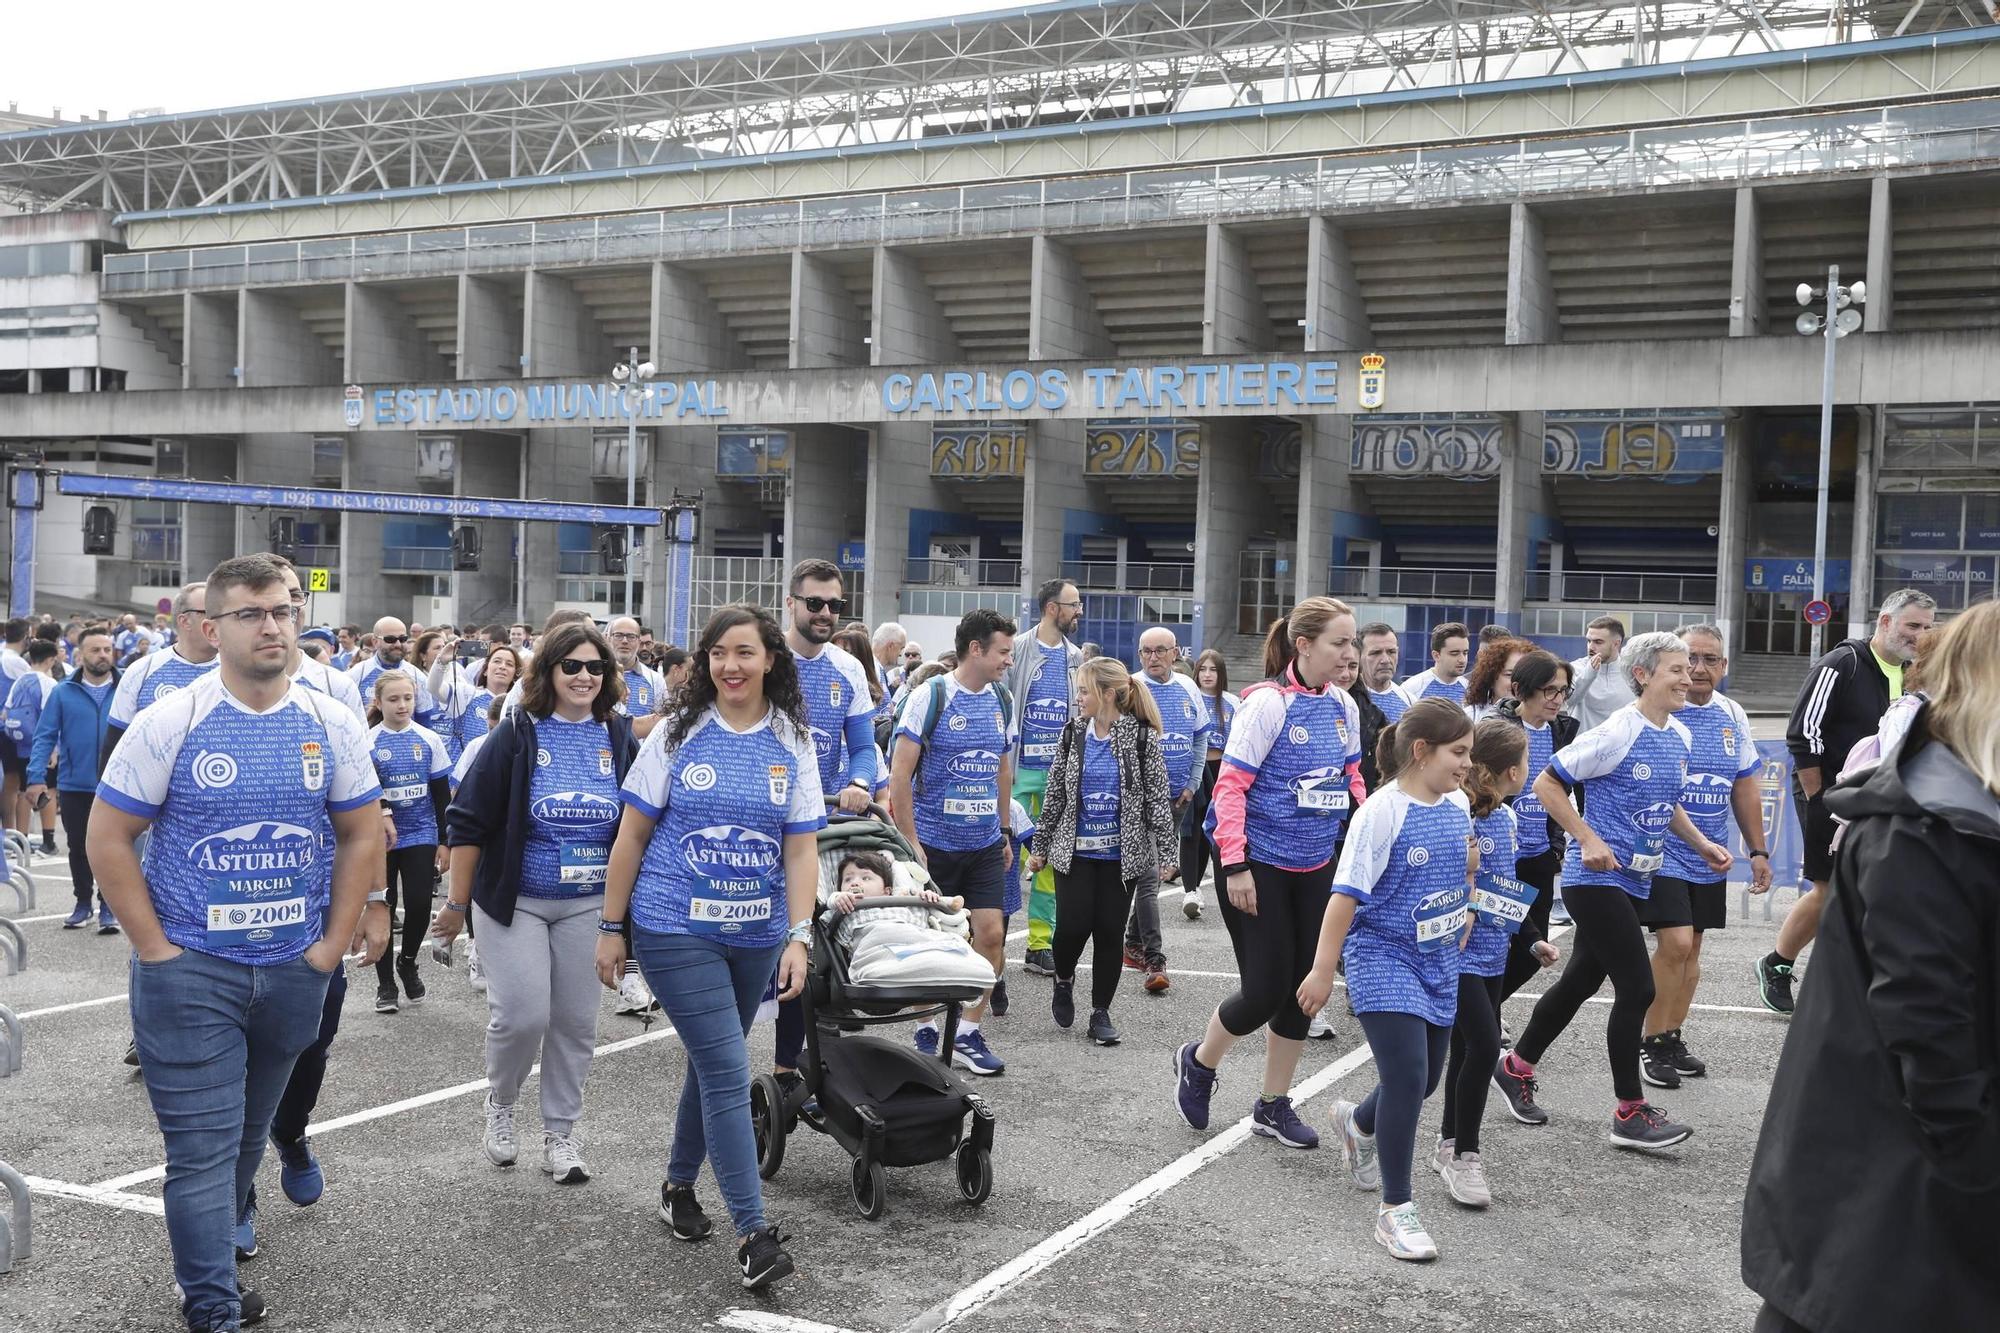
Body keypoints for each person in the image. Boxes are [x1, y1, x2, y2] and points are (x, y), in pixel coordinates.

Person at [89, 554, 383, 1333]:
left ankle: (211, 1269)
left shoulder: (331, 720)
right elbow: (108, 835)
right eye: (251, 613)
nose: (272, 626)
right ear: (211, 627)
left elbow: (361, 832)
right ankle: (212, 1303)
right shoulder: (172, 719)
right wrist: (155, 948)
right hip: (191, 970)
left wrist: (329, 947)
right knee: (201, 1148)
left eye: (282, 610)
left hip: (293, 969)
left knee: (249, 1137)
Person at [1740, 600, 2000, 1333]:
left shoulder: (1954, 812)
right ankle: (1774, 964)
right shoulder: (1923, 827)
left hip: (1900, 1208)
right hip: (1892, 1205)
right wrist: (1982, 1165)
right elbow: (1928, 1030)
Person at [595, 604, 823, 1291]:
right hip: (674, 926)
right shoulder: (677, 732)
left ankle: (677, 1185)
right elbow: (632, 835)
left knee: (710, 1061)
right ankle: (754, 1234)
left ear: (771, 660)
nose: (730, 665)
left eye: (745, 652)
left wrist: (798, 934)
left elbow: (801, 847)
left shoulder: (793, 738)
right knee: (727, 1066)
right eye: (719, 652)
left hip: (757, 933)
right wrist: (611, 927)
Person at [1493, 632, 1733, 1150]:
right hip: (1594, 879)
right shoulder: (1616, 731)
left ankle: (1516, 1066)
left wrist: (1702, 843)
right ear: (1643, 675)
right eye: (1676, 669)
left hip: (1638, 877)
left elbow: (1667, 803)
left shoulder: (1678, 735)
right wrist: (1587, 838)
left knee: (1579, 982)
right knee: (1638, 988)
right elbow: (1547, 784)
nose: (1689, 676)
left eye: (1689, 668)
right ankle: (1630, 1112)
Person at [436, 620, 636, 1187]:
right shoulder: (517, 731)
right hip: (515, 901)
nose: (583, 676)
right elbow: (467, 821)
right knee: (522, 1016)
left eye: (595, 666)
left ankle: (560, 1135)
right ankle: (501, 1101)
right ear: (548, 670)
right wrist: (455, 904)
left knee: (575, 1022)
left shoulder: (618, 735)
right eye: (571, 665)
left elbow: (642, 821)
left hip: (588, 904)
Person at [1175, 597, 1363, 1150]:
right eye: (1339, 642)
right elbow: (1229, 789)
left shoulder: (1343, 706)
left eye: (1351, 642)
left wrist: (1364, 833)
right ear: (1304, 645)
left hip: (1317, 863)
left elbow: (1352, 781)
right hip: (1257, 864)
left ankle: (1272, 1104)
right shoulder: (1267, 705)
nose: (1348, 653)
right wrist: (1235, 866)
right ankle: (1199, 1061)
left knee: (1304, 992)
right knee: (1263, 990)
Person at [1306, 700, 1475, 1261]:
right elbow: (1345, 896)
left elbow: (1461, 869)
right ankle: (1395, 1210)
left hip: (1439, 959)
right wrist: (1323, 971)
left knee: (1423, 1081)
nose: (1466, 764)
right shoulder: (1380, 813)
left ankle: (1357, 1124)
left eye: (1469, 753)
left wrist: (1466, 908)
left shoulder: (1458, 803)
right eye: (1458, 752)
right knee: (1406, 1077)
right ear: (1421, 751)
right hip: (1382, 955)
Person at [1762, 588, 1937, 1014]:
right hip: (1832, 795)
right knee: (1831, 890)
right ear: (1885, 621)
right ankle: (1778, 964)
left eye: (1927, 627)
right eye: (1912, 625)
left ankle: (1853, 982)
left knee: (1865, 890)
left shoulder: (1911, 672)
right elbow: (1803, 733)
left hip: (1878, 799)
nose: (1920, 635)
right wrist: (1819, 797)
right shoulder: (1843, 662)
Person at [1434, 718, 1559, 1210]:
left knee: (1464, 1050)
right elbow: (1456, 886)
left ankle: (1444, 1141)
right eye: (1527, 761)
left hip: (1492, 956)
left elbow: (1501, 888)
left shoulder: (1506, 819)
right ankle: (1466, 1155)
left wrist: (1531, 938)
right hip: (1457, 954)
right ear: (1511, 771)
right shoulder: (1459, 816)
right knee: (1486, 1048)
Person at [888, 608, 1017, 1076]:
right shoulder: (931, 695)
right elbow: (899, 774)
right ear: (976, 649)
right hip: (932, 845)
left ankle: (966, 1033)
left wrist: (1004, 830)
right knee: (929, 943)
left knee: (991, 935)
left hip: (983, 844)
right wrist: (910, 841)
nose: (1009, 661)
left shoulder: (1002, 697)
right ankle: (926, 1028)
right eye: (1003, 652)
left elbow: (1002, 769)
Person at [1639, 625, 1768, 1088]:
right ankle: (1650, 1042)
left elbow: (1745, 785)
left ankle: (1671, 1035)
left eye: (1710, 659)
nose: (1698, 668)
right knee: (1674, 944)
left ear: (1724, 666)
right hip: (1661, 849)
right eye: (1689, 658)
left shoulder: (1732, 713)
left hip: (1710, 854)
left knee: (1693, 948)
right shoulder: (1661, 710)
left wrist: (1757, 849)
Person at [1028, 657, 1177, 1047]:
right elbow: (1055, 794)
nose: (1078, 698)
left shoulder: (1142, 738)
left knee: (1109, 932)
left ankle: (1100, 1013)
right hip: (1074, 854)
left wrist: (1168, 853)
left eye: (1083, 691)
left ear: (1107, 694)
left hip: (1120, 858)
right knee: (1073, 927)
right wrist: (1039, 847)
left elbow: (1157, 798)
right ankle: (1064, 979)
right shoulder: (1072, 733)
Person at [772, 560, 878, 1097]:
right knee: (773, 943)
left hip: (824, 824)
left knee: (815, 942)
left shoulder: (848, 668)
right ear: (791, 603)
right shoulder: (768, 659)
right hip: (767, 822)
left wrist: (859, 781)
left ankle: (794, 1066)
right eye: (815, 603)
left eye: (835, 604)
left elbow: (863, 746)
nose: (825, 613)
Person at [1005, 579, 1084, 980]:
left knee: (1050, 862)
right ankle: (986, 940)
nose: (1079, 611)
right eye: (1074, 604)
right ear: (1053, 608)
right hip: (1019, 772)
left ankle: (1039, 945)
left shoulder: (1076, 657)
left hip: (1058, 777)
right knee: (1005, 854)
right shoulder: (1017, 650)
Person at [1492, 651, 1579, 1010]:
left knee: (1532, 954)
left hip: (1539, 856)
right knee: (1494, 946)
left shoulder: (1564, 731)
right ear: (1520, 689)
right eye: (1548, 690)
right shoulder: (1497, 729)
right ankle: (1479, 1020)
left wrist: (1555, 846)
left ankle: (1483, 1014)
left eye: (1563, 691)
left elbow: (1566, 791)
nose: (1557, 699)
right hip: (1500, 857)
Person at [363, 673, 453, 1015]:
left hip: (421, 833)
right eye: (393, 699)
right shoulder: (368, 741)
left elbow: (442, 796)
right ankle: (385, 982)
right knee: (383, 906)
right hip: (380, 839)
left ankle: (408, 962)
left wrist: (445, 841)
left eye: (408, 698)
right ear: (378, 703)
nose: (402, 705)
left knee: (418, 904)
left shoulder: (429, 739)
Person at [1126, 626, 1208, 989]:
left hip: (1178, 799)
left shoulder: (1188, 687)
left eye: (1160, 650)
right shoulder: (1131, 689)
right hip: (1143, 803)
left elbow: (1200, 737)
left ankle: (1131, 943)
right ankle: (1155, 959)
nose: (1153, 657)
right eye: (1146, 651)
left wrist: (1192, 783)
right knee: (1149, 877)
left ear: (1175, 653)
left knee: (1151, 875)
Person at [28, 625, 121, 931]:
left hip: (117, 787)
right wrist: (36, 777)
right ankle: (83, 903)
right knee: (79, 847)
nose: (103, 655)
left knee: (113, 848)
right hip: (74, 785)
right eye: (96, 650)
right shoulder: (62, 691)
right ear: (80, 655)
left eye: (107, 649)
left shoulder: (127, 689)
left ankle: (109, 907)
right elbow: (44, 736)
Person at [102, 583, 218, 770]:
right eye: (211, 613)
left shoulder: (240, 672)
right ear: (184, 621)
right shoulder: (141, 671)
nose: (221, 621)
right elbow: (114, 744)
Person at [1180, 649, 1239, 918]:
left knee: (1213, 831)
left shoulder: (1232, 702)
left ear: (1221, 673)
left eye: (1213, 669)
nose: (1207, 675)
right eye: (1202, 669)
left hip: (1223, 770)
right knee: (1191, 829)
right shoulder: (1188, 696)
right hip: (1196, 768)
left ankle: (1215, 886)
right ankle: (1190, 890)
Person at [3, 640, 62, 853]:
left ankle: (22, 839)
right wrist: (54, 749)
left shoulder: (20, 681)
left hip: (21, 744)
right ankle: (48, 841)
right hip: (41, 747)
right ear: (50, 659)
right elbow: (50, 717)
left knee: (23, 791)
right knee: (49, 790)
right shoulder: (49, 683)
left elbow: (6, 712)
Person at [430, 642, 521, 760]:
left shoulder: (518, 706)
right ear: (485, 670)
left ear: (515, 675)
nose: (502, 666)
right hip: (463, 769)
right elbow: (434, 689)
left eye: (509, 664)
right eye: (497, 661)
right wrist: (441, 661)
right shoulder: (468, 694)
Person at [348, 616, 442, 730]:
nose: (398, 644)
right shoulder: (356, 674)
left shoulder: (418, 677)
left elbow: (425, 723)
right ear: (375, 641)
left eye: (402, 639)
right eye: (390, 639)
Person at [1565, 615, 1633, 732]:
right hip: (1583, 742)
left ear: (1616, 644)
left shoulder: (1632, 673)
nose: (1591, 647)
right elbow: (1569, 700)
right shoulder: (1575, 668)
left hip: (1621, 742)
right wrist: (1589, 673)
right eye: (1589, 641)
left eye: (1598, 642)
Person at [607, 616, 667, 740]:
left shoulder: (655, 680)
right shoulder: (596, 676)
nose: (624, 641)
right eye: (618, 635)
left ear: (639, 642)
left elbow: (662, 724)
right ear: (608, 639)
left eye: (631, 636)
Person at [1399, 622, 1470, 707]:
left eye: (1465, 653)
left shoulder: (1471, 690)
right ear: (1436, 655)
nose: (1462, 660)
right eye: (1454, 654)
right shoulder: (1412, 688)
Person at [1462, 635, 1531, 722]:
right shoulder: (1469, 718)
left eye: (1526, 675)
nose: (1518, 683)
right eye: (1509, 675)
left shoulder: (1542, 720)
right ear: (1490, 677)